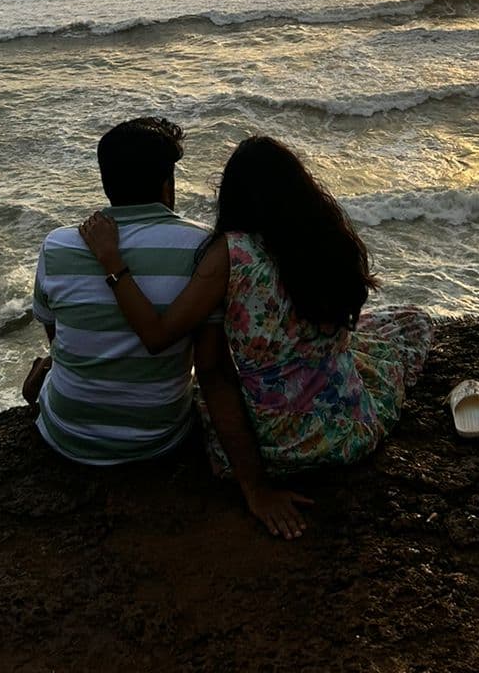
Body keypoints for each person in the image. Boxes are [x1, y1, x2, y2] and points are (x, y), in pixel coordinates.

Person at [80, 134, 434, 529]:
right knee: (408, 322)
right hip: (347, 430)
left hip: (276, 446)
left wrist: (111, 261)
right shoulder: (324, 243)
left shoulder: (231, 255)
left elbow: (166, 339)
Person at [27, 116, 313, 538]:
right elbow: (212, 372)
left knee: (50, 367)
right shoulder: (204, 250)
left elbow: (57, 337)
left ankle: (40, 388)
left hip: (68, 436)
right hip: (156, 438)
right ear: (167, 183)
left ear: (106, 182)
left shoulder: (58, 246)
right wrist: (255, 489)